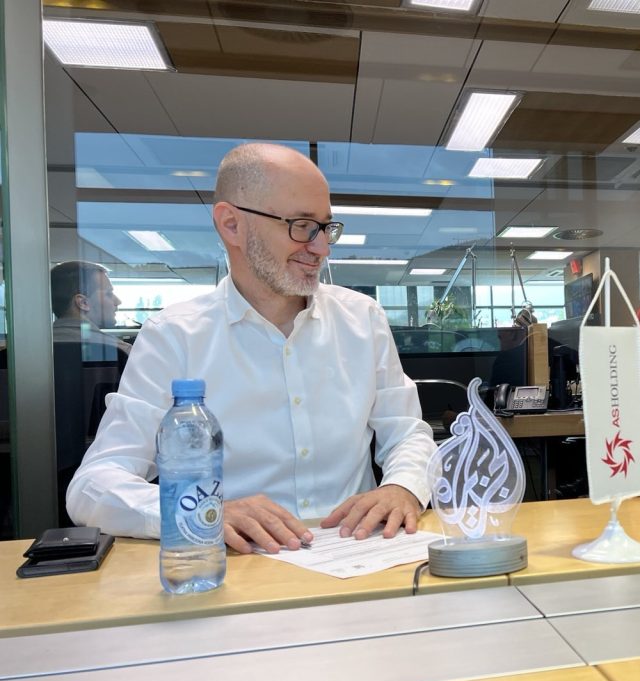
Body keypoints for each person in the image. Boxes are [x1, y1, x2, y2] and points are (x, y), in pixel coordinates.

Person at [68, 143, 437, 553]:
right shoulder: (174, 336)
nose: (322, 248)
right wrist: (203, 512)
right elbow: (93, 485)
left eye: (326, 227)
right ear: (231, 225)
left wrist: (403, 486)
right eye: (302, 225)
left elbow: (407, 433)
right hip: (238, 564)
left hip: (359, 553)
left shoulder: (362, 319)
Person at [50, 260, 133, 361]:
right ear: (83, 303)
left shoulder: (37, 345)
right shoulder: (120, 351)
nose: (118, 301)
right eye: (108, 294)